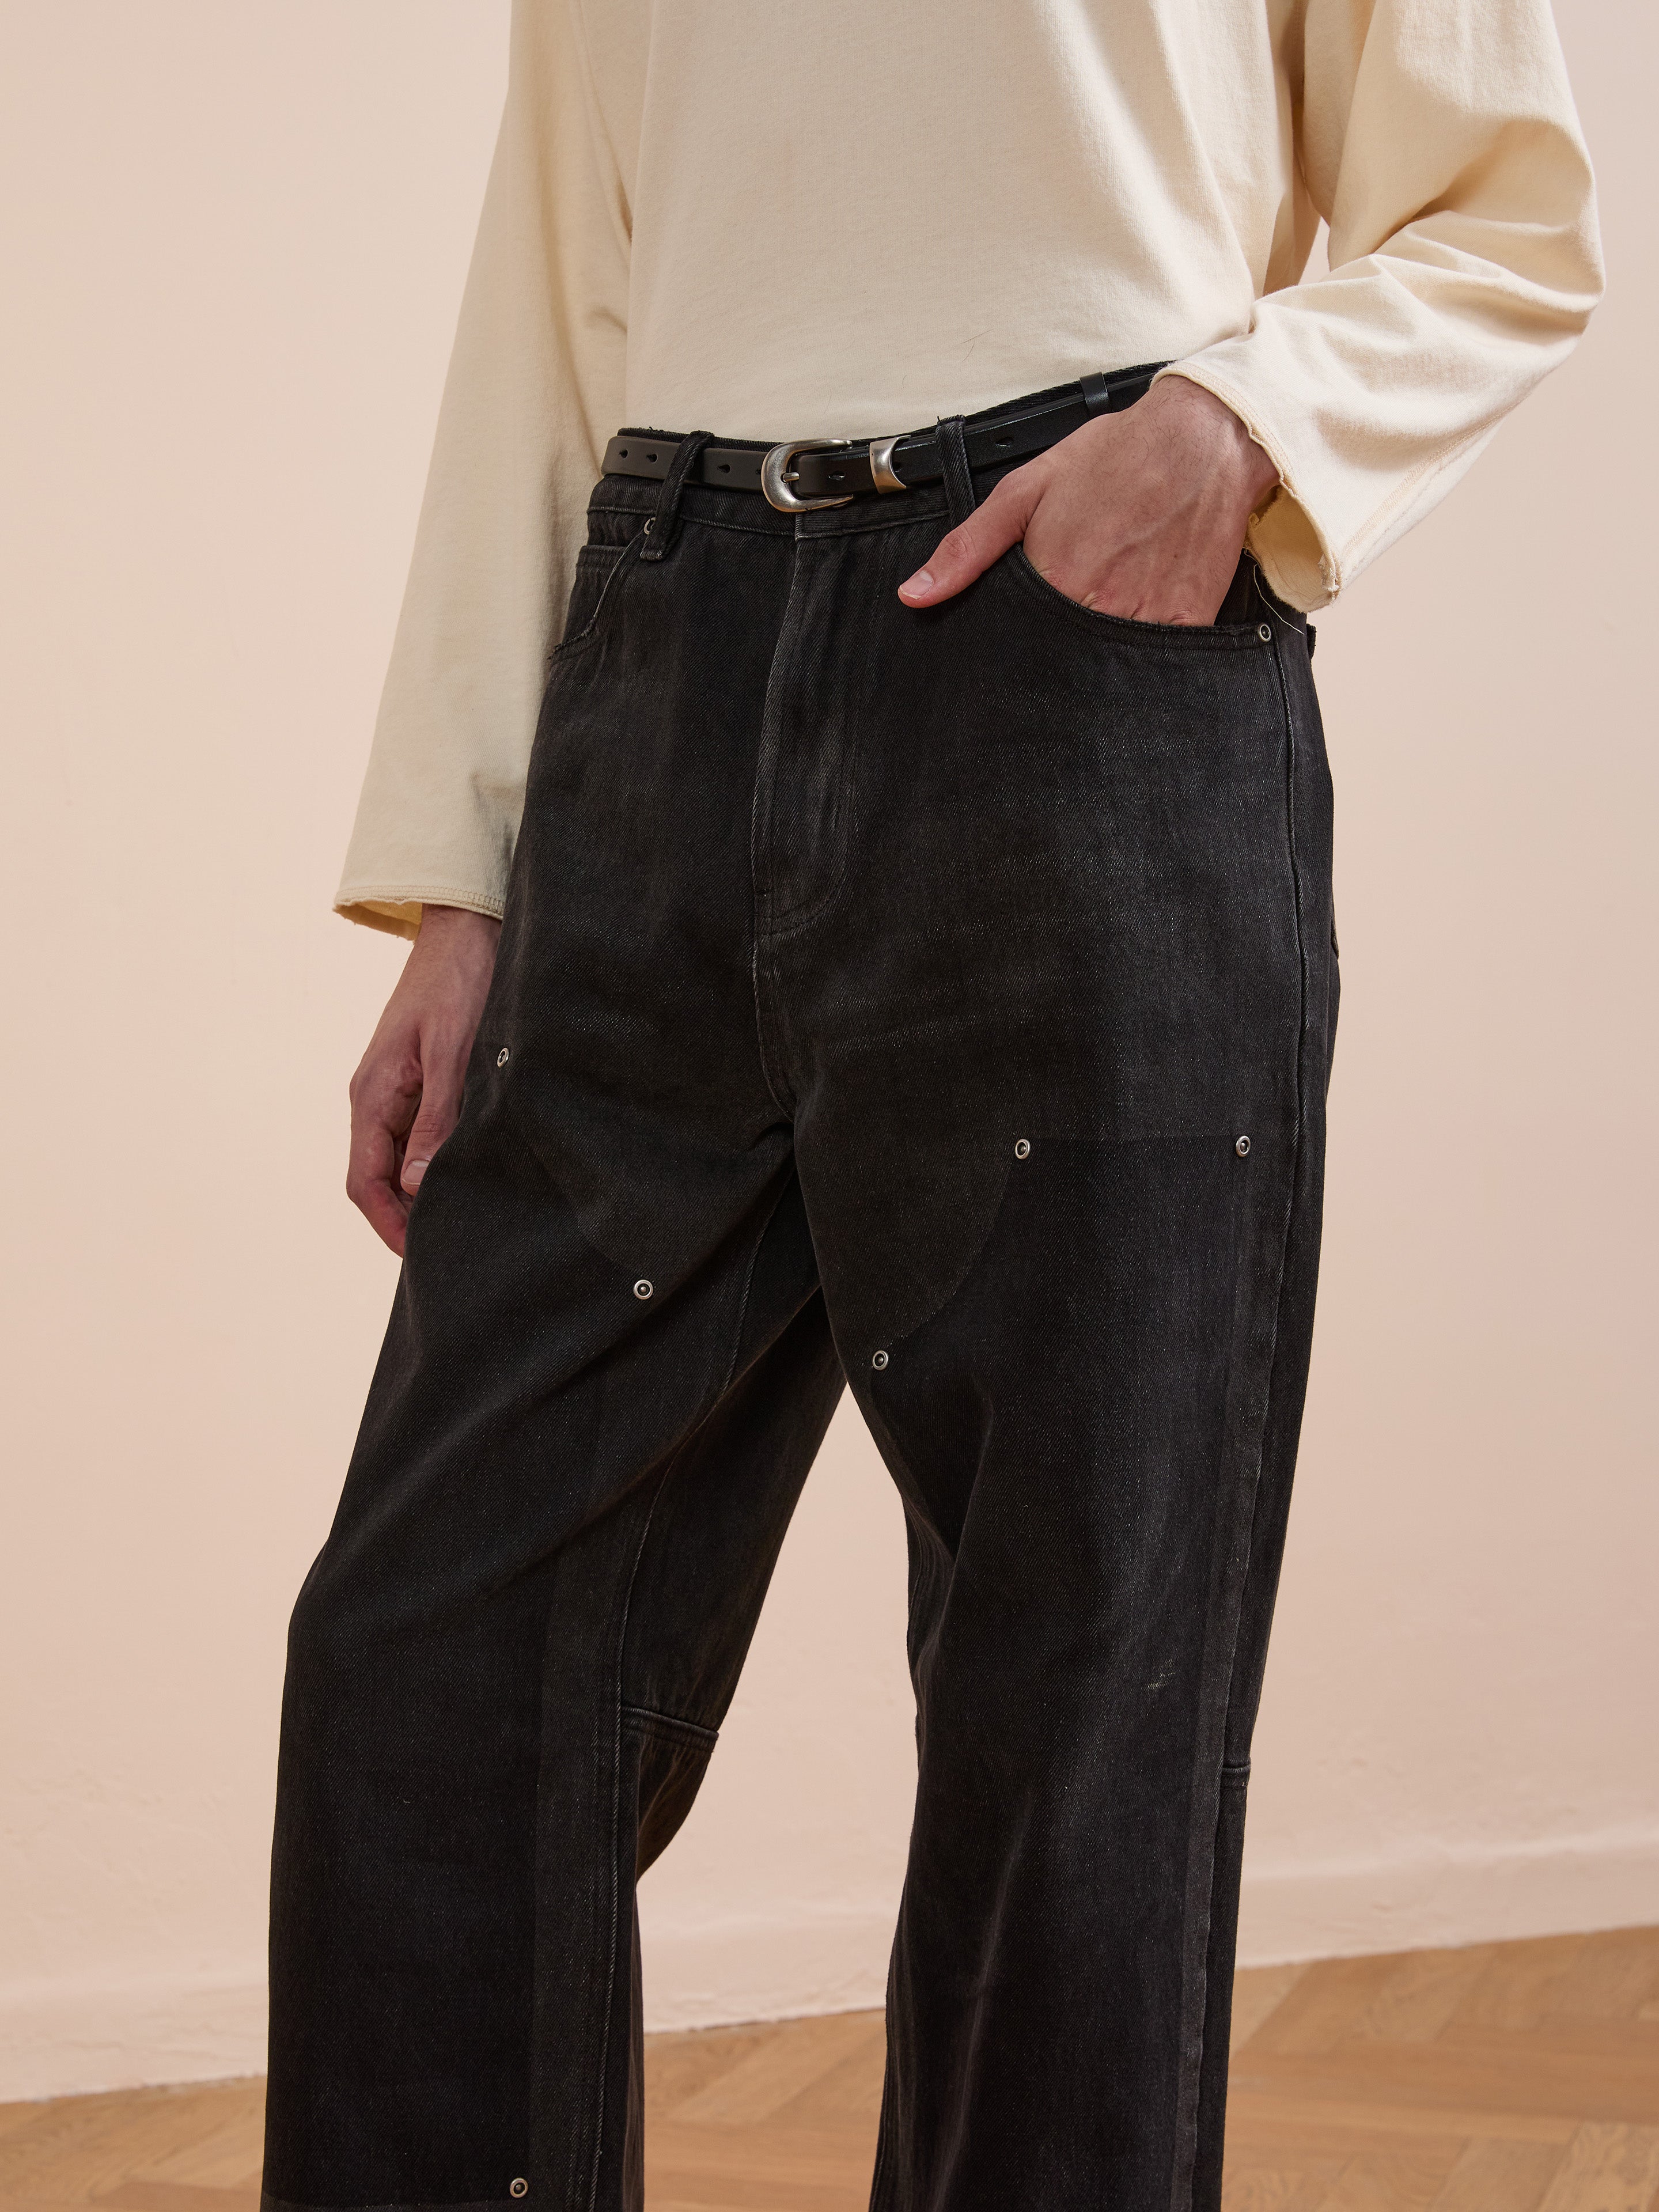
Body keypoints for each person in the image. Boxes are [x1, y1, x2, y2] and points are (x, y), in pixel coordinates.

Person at [262, 6, 1601, 2209]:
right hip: (660, 650)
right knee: (432, 1651)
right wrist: (463, 870)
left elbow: (1507, 213)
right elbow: (555, 301)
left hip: (1076, 652)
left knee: (1075, 1701)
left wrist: (1241, 426)